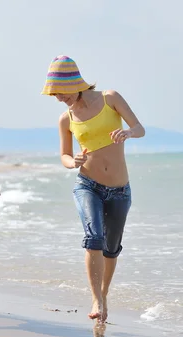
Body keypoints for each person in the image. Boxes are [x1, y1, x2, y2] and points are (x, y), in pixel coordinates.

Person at [41, 55, 145, 323]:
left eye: (60, 92)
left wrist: (127, 133)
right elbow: (64, 156)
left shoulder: (110, 98)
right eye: (54, 94)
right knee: (93, 239)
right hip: (88, 186)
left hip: (120, 190)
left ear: (76, 83)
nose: (58, 98)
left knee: (111, 248)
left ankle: (104, 295)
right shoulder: (66, 119)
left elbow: (139, 128)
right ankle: (96, 300)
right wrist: (71, 161)